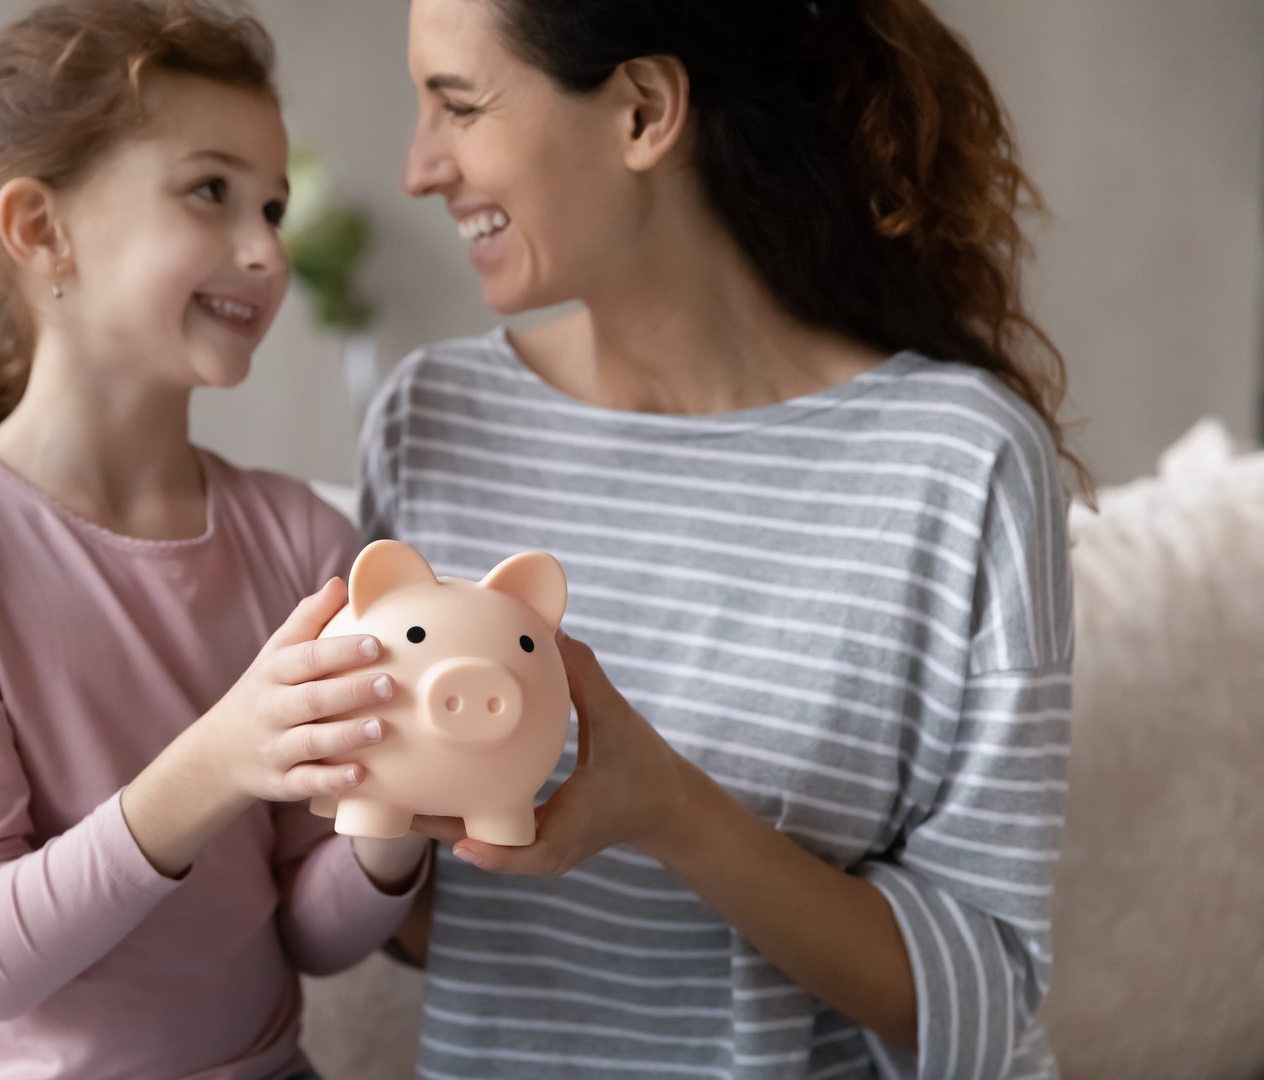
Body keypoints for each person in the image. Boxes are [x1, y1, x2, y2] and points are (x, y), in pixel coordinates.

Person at [369, 1, 1081, 1077]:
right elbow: (421, 919)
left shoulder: (960, 463)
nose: (419, 168)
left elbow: (980, 999)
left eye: (458, 105)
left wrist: (666, 808)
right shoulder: (432, 423)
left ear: (645, 111)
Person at [0, 3, 428, 1076]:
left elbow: (310, 934)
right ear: (40, 228)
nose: (264, 252)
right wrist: (221, 757)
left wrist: (394, 823)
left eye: (274, 207)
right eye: (211, 191)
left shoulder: (304, 542)